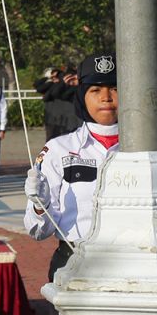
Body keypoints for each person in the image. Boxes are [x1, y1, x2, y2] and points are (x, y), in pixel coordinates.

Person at [24, 52, 120, 285]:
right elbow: (39, 232)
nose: (106, 98)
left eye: (114, 88)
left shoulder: (147, 150)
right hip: (73, 266)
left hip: (130, 266)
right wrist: (40, 205)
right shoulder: (59, 149)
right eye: (95, 90)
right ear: (82, 96)